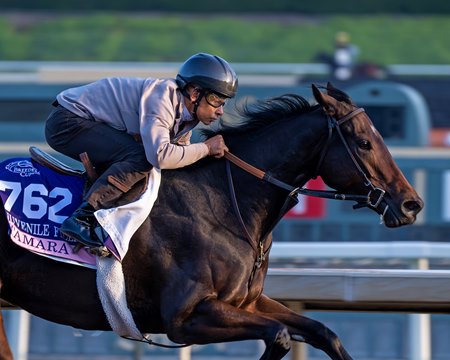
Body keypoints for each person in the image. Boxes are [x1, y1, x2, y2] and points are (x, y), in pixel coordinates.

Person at [45, 52, 238, 249]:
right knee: (141, 157)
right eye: (216, 99)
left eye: (223, 103)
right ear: (195, 93)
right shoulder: (162, 97)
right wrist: (206, 148)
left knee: (143, 158)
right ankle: (82, 218)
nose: (220, 110)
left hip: (88, 122)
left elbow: (178, 158)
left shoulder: (188, 117)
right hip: (67, 121)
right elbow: (161, 156)